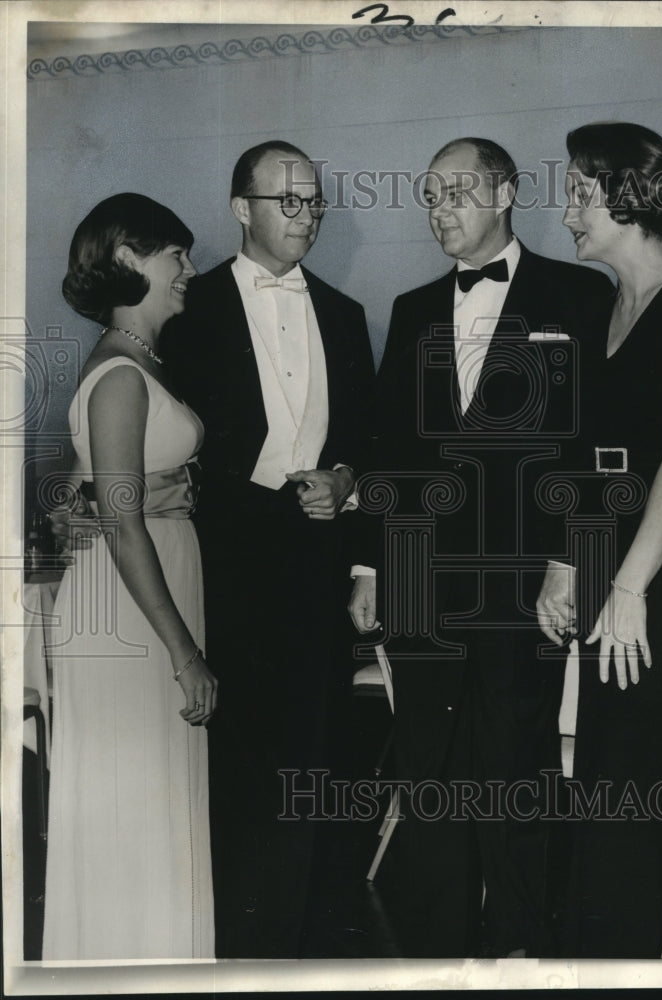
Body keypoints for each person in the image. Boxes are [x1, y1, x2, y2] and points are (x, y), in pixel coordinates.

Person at [349, 137, 614, 957]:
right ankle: (441, 955)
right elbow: (387, 447)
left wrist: (575, 567)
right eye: (429, 195)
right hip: (423, 586)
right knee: (431, 776)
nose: (440, 209)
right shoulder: (413, 306)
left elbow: (600, 448)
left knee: (517, 770)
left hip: (529, 586)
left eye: (457, 192)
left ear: (507, 193)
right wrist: (367, 565)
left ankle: (526, 952)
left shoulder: (582, 294)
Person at [160, 141, 376, 958]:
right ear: (240, 209)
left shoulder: (349, 314)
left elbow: (367, 438)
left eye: (315, 201)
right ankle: (229, 940)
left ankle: (295, 945)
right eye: (288, 200)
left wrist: (347, 478)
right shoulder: (188, 308)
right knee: (229, 758)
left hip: (317, 563)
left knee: (313, 754)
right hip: (218, 562)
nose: (307, 216)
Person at [538, 121, 662, 957]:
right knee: (620, 801)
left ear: (627, 195)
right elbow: (592, 462)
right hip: (620, 586)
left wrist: (628, 589)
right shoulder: (605, 307)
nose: (569, 213)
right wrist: (562, 567)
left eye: (581, 193)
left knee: (638, 805)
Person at [43, 193, 217, 959]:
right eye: (176, 255)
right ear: (127, 260)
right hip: (132, 610)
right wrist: (184, 652)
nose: (189, 269)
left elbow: (115, 492)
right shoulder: (120, 373)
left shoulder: (140, 362)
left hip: (150, 589)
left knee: (152, 802)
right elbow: (117, 519)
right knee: (134, 806)